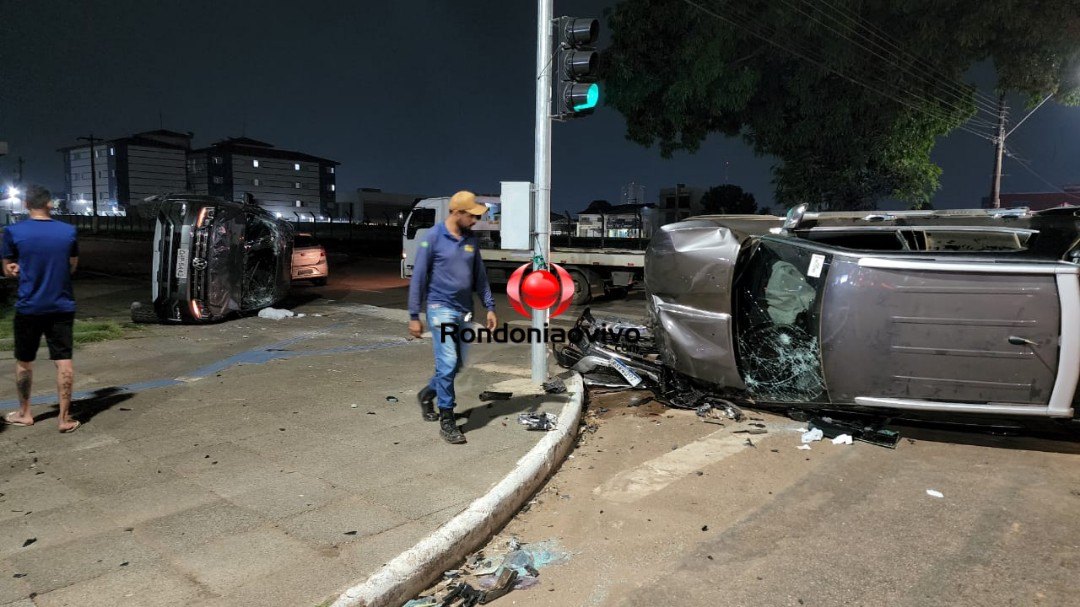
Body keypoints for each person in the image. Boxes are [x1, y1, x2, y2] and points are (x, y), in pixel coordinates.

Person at [408, 191, 497, 444]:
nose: (474, 221)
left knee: (456, 365)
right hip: (440, 308)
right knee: (447, 362)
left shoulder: (470, 240)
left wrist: (490, 306)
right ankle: (448, 418)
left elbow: (480, 276)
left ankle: (428, 393)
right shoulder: (433, 238)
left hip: (464, 310)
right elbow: (419, 278)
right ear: (457, 213)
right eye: (471, 215)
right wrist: (414, 314)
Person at [1, 185, 80, 433]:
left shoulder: (12, 231)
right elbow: (72, 267)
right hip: (61, 305)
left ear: (26, 205)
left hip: (29, 306)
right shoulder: (68, 231)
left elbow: (8, 269)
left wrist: (15, 269)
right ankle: (64, 419)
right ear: (50, 204)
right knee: (64, 361)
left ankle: (25, 413)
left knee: (24, 362)